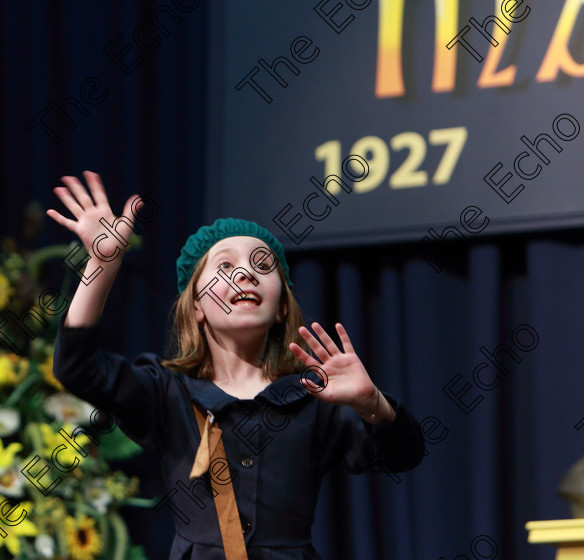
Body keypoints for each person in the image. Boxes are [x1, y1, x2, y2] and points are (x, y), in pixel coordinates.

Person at [46, 171, 425, 559]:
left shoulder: (314, 396)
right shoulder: (167, 391)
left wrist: (372, 403)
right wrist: (102, 265)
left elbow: (404, 455)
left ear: (281, 308)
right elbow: (77, 366)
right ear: (196, 307)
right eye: (225, 266)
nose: (246, 273)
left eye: (263, 266)